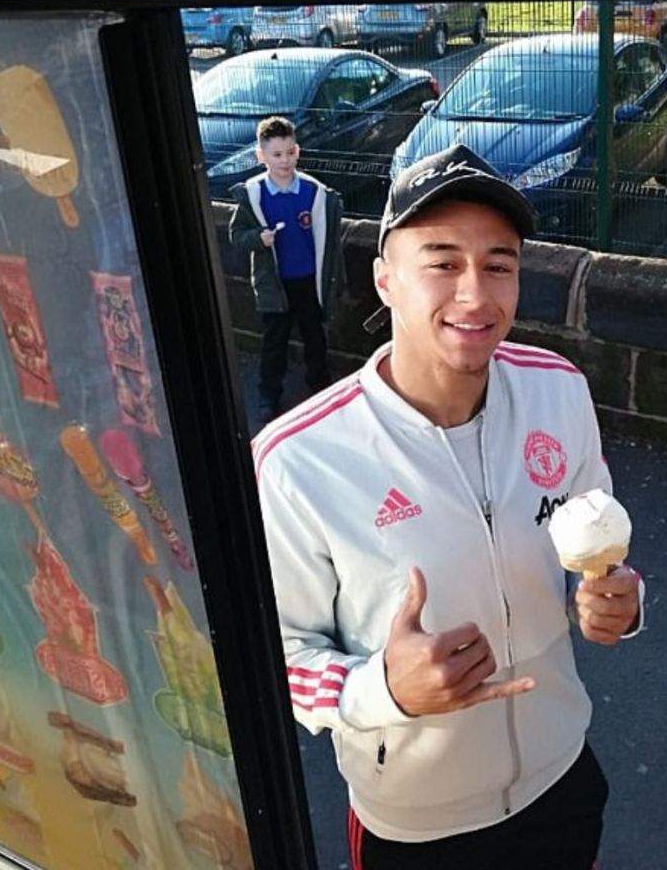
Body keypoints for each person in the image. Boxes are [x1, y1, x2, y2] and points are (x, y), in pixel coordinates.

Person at [252, 144, 645, 870]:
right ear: (385, 280)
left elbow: (596, 545)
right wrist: (385, 688)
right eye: (442, 262)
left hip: (563, 774)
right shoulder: (298, 460)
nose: (475, 293)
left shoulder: (559, 390)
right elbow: (277, 652)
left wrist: (619, 598)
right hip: (417, 824)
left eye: (499, 264)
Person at [229, 116, 345, 426]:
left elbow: (331, 245)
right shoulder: (253, 194)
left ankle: (320, 388)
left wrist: (334, 283)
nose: (284, 160)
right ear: (261, 156)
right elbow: (237, 237)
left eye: (289, 152)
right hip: (274, 286)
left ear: (298, 152)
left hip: (308, 283)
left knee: (315, 338)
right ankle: (268, 395)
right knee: (274, 343)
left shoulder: (315, 192)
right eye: (276, 154)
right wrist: (258, 239)